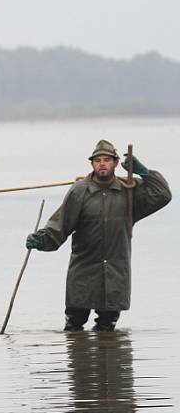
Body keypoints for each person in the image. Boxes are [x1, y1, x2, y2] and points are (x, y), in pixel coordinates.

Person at [26, 140, 171, 331]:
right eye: (98, 160)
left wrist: (144, 172)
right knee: (74, 326)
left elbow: (162, 195)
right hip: (83, 270)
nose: (102, 163)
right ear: (92, 164)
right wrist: (41, 239)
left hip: (115, 271)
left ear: (116, 163)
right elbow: (61, 224)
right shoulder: (79, 191)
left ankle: (108, 358)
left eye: (107, 160)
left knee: (107, 329)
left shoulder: (128, 191)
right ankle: (80, 359)